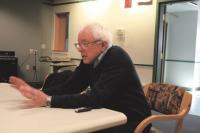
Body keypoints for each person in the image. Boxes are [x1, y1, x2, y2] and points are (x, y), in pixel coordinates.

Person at [9, 23, 151, 133]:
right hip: (108, 114)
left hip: (132, 120)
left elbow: (96, 98)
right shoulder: (89, 60)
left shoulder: (117, 57)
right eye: (79, 44)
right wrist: (37, 92)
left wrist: (47, 100)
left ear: (103, 45)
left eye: (85, 43)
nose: (80, 48)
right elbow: (70, 86)